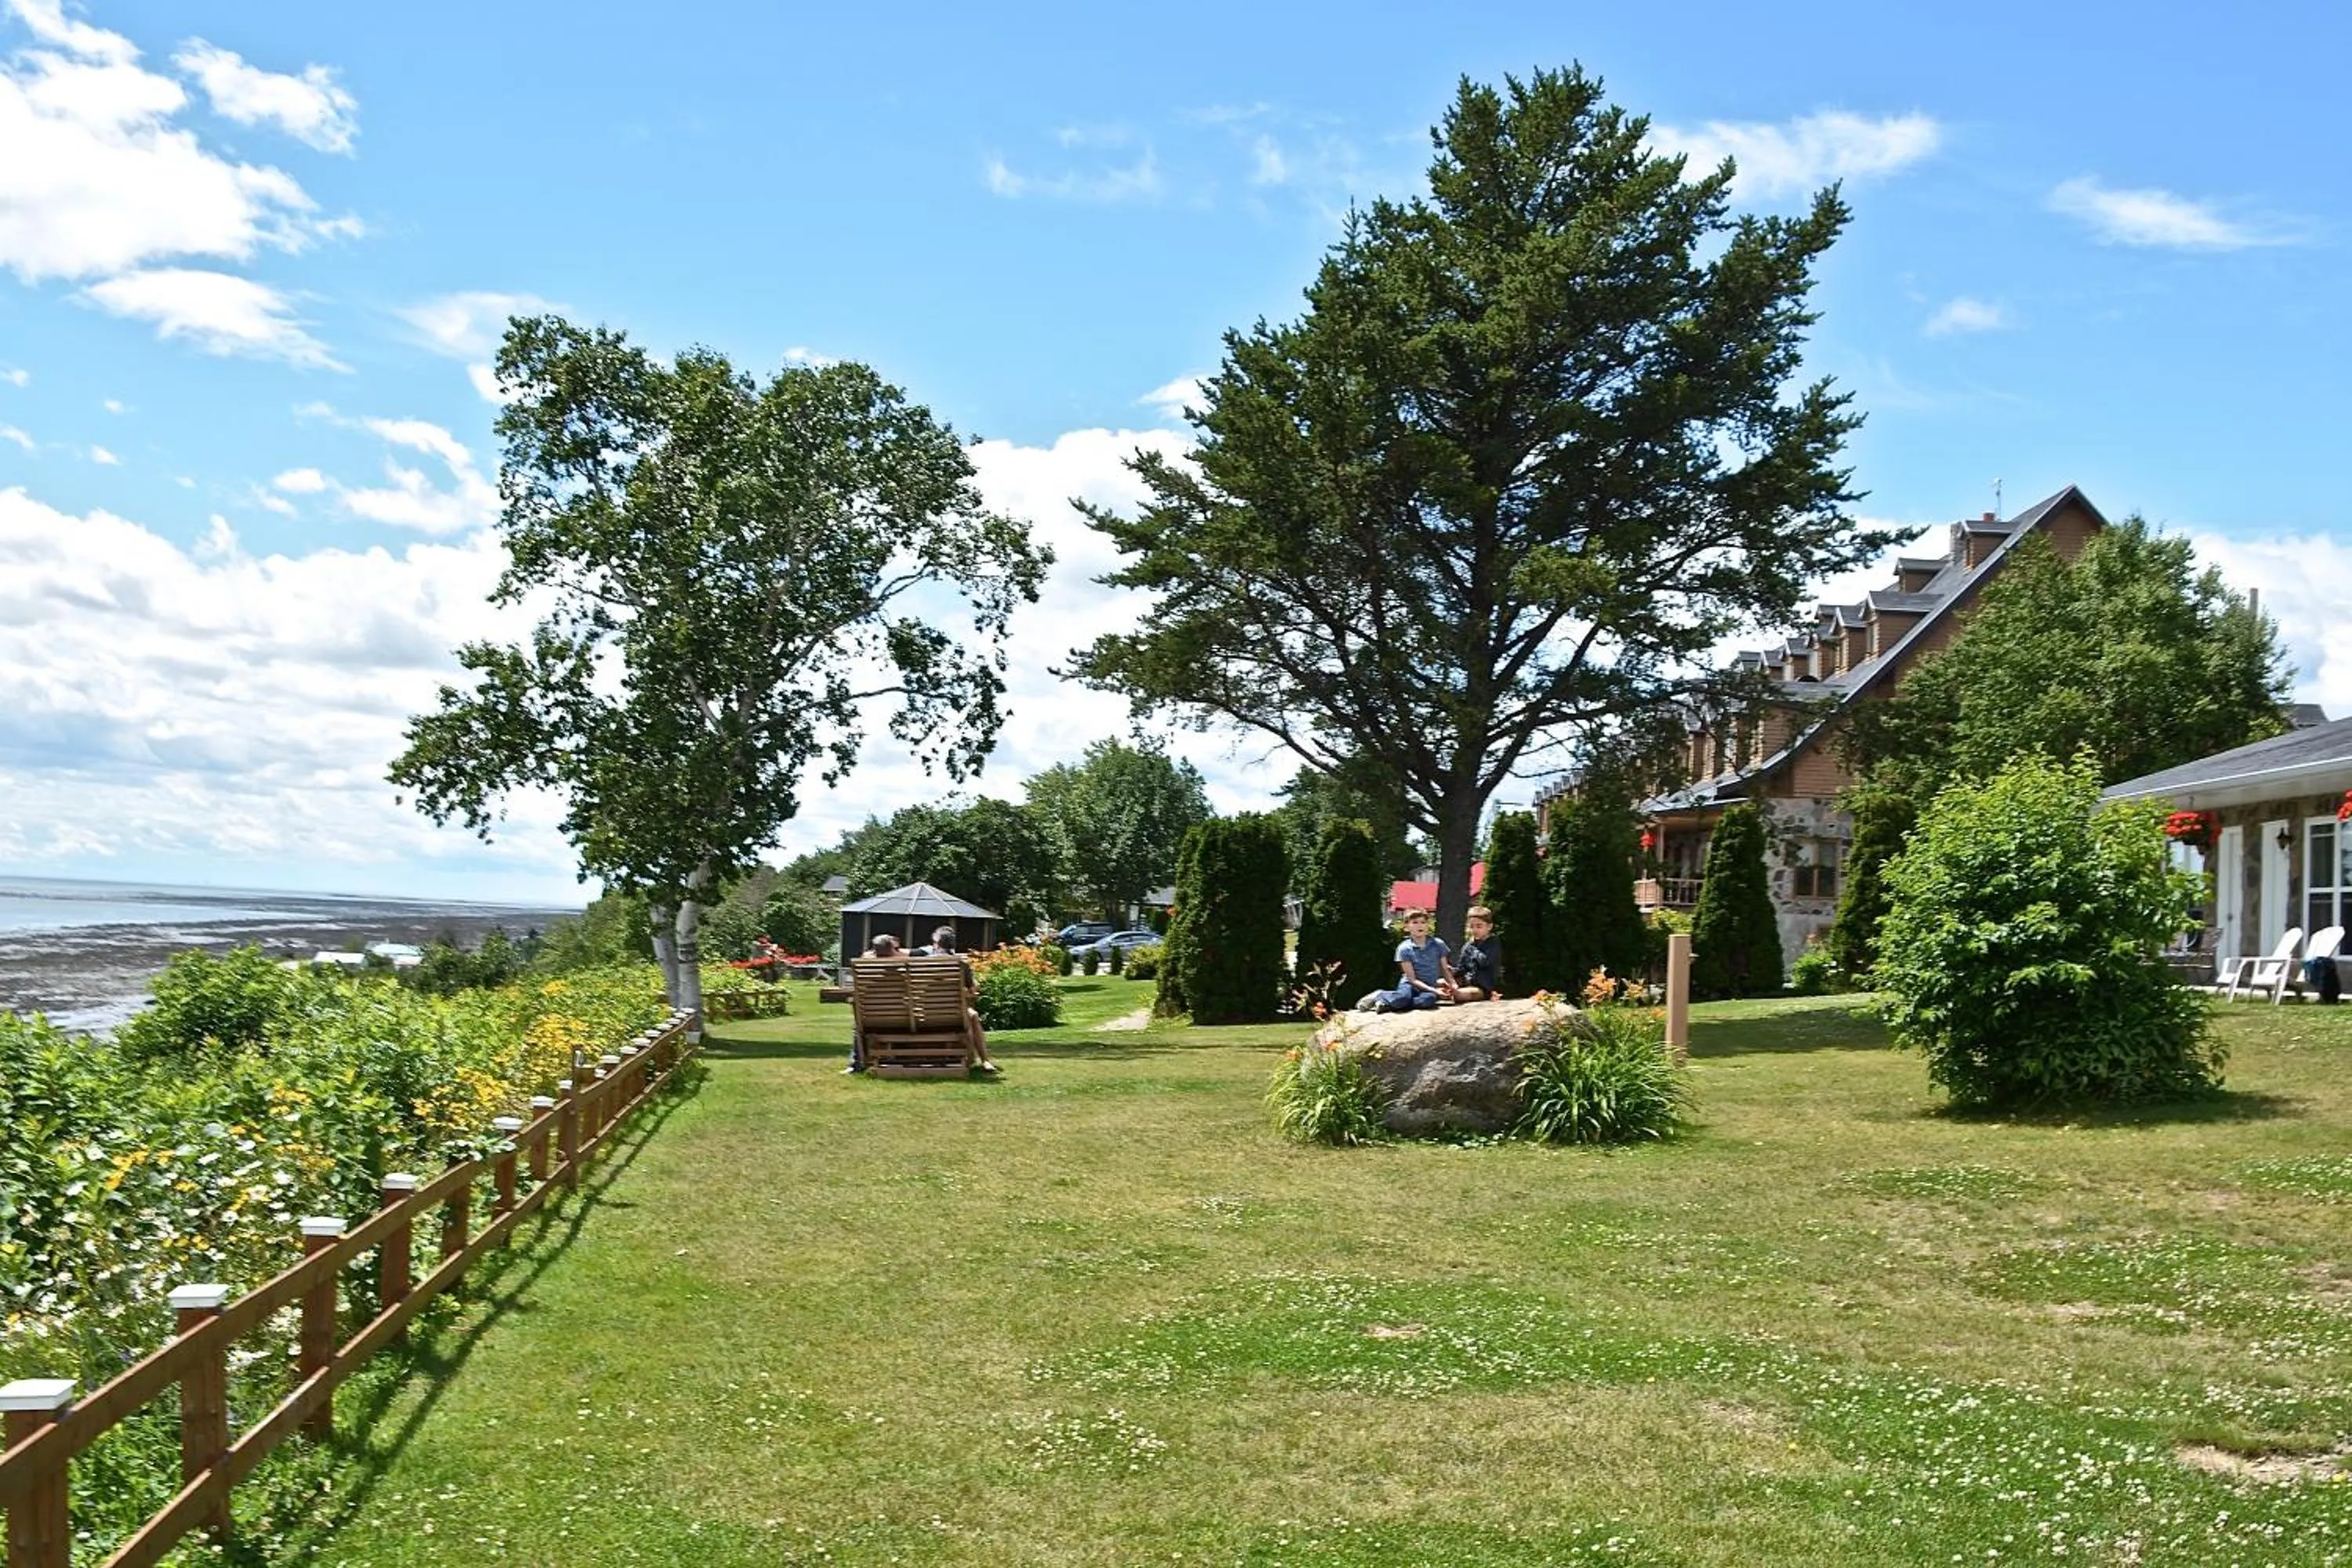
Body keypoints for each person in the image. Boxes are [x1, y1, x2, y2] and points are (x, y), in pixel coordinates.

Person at [916, 926, 1002, 1073]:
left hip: (926, 1012)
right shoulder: (960, 964)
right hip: (954, 1014)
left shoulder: (920, 963)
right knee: (973, 1015)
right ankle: (985, 1060)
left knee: (971, 1015)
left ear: (936, 944)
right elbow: (972, 989)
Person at [844, 933, 904, 1073]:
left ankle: (855, 1065)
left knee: (858, 1027)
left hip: (872, 1020)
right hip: (901, 1019)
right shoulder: (903, 966)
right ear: (893, 949)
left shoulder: (866, 968)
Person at [1375, 910, 1451, 1011]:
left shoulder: (1438, 944)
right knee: (1402, 998)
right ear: (1407, 927)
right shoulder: (1404, 948)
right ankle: (1381, 995)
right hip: (1410, 985)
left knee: (1428, 1000)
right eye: (1415, 923)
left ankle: (1394, 1005)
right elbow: (1412, 979)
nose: (1420, 926)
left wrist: (1453, 985)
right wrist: (1436, 991)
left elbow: (1445, 968)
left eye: (1423, 922)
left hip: (1429, 986)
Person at [1447, 906, 1501, 1002]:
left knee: (1459, 995)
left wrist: (1473, 948)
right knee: (1439, 982)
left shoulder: (1493, 943)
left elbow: (1485, 961)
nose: (1474, 930)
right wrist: (1452, 971)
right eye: (1471, 927)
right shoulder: (1468, 946)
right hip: (1466, 982)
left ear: (1489, 927)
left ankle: (1453, 993)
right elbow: (1462, 968)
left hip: (1482, 987)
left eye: (1479, 926)